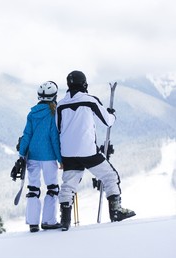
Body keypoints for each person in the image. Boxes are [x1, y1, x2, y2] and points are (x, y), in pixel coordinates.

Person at [56, 70, 136, 231]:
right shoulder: (89, 100)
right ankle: (115, 211)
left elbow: (58, 129)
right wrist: (112, 114)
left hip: (67, 152)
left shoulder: (60, 104)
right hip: (88, 150)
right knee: (109, 176)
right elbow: (108, 121)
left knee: (68, 184)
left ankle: (65, 220)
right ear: (84, 84)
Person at [18, 81, 63, 233]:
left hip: (32, 157)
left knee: (33, 188)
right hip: (49, 157)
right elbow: (54, 138)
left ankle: (33, 223)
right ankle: (48, 221)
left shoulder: (32, 114)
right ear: (54, 97)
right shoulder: (53, 114)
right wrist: (60, 159)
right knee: (52, 188)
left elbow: (27, 135)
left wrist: (21, 154)